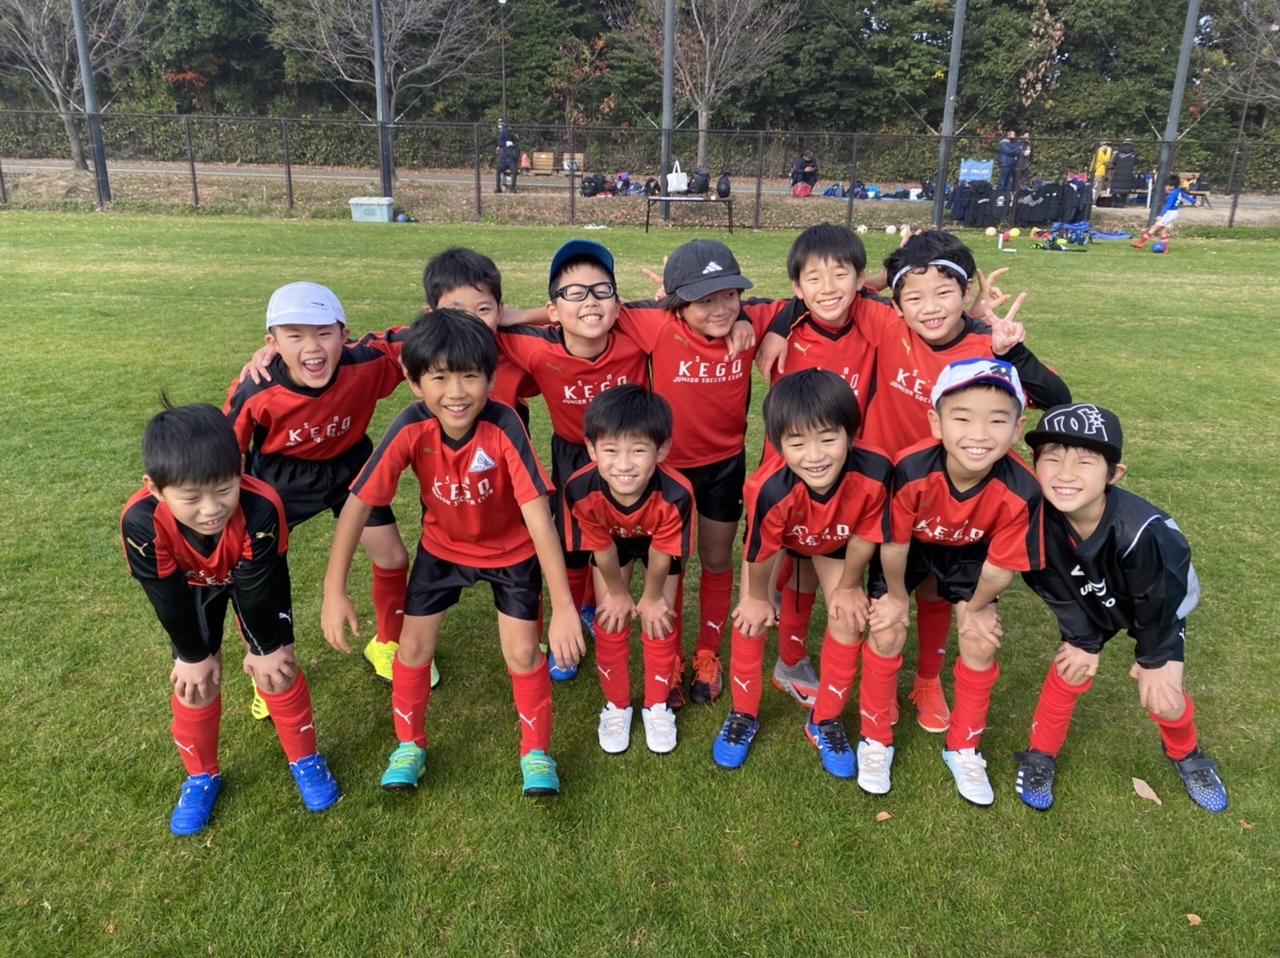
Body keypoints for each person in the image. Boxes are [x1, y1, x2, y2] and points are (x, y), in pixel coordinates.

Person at [759, 230, 1069, 735]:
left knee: (932, 588)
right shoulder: (887, 322)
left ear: (966, 293)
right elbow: (831, 291)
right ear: (898, 302)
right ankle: (801, 663)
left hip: (944, 492)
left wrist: (1014, 352)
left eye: (945, 293)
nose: (930, 308)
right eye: (915, 296)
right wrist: (780, 324)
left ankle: (927, 680)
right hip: (876, 484)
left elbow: (1057, 399)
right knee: (826, 568)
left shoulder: (986, 346)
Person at [321, 309, 583, 797]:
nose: (457, 392)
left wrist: (564, 607)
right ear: (414, 382)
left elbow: (538, 517)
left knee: (524, 653)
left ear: (490, 378)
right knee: (412, 648)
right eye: (439, 378)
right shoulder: (410, 426)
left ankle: (536, 753)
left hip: (511, 553)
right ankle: (409, 746)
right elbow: (358, 503)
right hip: (442, 551)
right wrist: (333, 590)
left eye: (470, 376)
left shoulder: (504, 424)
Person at [121, 402, 340, 836]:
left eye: (224, 489)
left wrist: (265, 649)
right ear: (155, 488)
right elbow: (167, 599)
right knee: (195, 682)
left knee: (277, 669)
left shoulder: (262, 506)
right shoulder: (140, 522)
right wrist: (192, 656)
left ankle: (305, 759)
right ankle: (201, 776)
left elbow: (255, 590)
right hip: (191, 588)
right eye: (191, 497)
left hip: (254, 578)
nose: (210, 509)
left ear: (240, 469)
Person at [1013, 403, 1228, 813]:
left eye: (1085, 461)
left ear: (1115, 474)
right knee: (1071, 667)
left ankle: (1186, 753)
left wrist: (1154, 659)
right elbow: (1049, 582)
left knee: (1163, 697)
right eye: (1052, 458)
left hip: (1155, 609)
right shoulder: (1032, 519)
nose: (1065, 473)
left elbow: (1160, 599)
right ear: (1034, 463)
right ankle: (1041, 754)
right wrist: (1082, 640)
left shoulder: (1144, 532)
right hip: (1090, 597)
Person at [861, 359, 1043, 805]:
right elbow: (895, 545)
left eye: (997, 420)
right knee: (887, 629)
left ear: (1017, 428)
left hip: (970, 555)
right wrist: (896, 596)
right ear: (936, 422)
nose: (979, 434)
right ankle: (875, 737)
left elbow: (1000, 567)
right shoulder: (911, 467)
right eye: (962, 418)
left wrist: (977, 610)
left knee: (980, 642)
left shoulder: (1024, 488)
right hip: (910, 548)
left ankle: (963, 745)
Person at [224, 282, 413, 701]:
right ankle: (270, 659)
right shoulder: (256, 387)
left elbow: (425, 334)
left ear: (344, 334)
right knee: (259, 571)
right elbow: (230, 450)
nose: (312, 347)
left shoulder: (366, 361)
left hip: (350, 464)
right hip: (280, 478)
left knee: (393, 555)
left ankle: (388, 643)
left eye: (324, 333)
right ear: (272, 344)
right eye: (294, 336)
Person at [620, 241, 788, 707]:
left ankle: (708, 652)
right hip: (669, 470)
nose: (720, 309)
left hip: (724, 465)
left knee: (716, 559)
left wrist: (754, 321)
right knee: (670, 563)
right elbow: (594, 309)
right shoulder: (656, 323)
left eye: (729, 295)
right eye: (704, 300)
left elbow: (804, 302)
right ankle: (670, 656)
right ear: (676, 302)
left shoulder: (748, 318)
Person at [713, 369, 889, 778]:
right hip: (780, 539)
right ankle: (743, 714)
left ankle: (824, 720)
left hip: (834, 540)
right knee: (750, 618)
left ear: (851, 432)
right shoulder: (769, 487)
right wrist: (757, 599)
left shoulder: (877, 468)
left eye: (828, 438)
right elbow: (760, 550)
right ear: (778, 445)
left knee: (849, 618)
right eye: (797, 443)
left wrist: (849, 587)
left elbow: (866, 534)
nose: (814, 455)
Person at [497, 239, 652, 680]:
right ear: (553, 308)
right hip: (572, 453)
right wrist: (511, 316)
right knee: (570, 545)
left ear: (617, 303)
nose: (590, 301)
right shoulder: (533, 347)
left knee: (620, 537)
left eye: (601, 290)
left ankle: (604, 605)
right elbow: (469, 326)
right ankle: (572, 617)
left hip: (629, 456)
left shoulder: (636, 336)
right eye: (575, 292)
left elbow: (698, 311)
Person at [560, 384, 695, 754]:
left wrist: (651, 598)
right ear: (591, 449)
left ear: (661, 450)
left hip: (657, 547)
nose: (623, 464)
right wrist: (618, 594)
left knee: (659, 618)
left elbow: (662, 552)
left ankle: (657, 706)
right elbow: (601, 546)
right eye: (610, 450)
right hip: (612, 543)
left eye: (638, 450)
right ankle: (616, 706)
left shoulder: (677, 493)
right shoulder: (580, 488)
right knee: (610, 617)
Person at [422, 247, 541, 430]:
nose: (472, 321)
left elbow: (572, 320)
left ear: (500, 310)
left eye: (483, 309)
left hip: (509, 444)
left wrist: (523, 315)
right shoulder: (423, 348)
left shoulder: (515, 347)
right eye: (455, 310)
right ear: (432, 315)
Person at [1131, 175, 1200, 253]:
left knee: (1154, 228)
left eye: (1167, 186)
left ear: (1172, 186)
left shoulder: (1172, 195)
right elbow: (1185, 196)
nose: (1166, 188)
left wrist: (1161, 215)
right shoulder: (1178, 191)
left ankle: (1140, 243)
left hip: (1169, 213)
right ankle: (1165, 249)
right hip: (1174, 213)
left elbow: (1168, 206)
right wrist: (1194, 201)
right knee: (1163, 231)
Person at [495, 119, 519, 194]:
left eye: (501, 122)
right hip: (505, 161)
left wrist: (504, 148)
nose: (499, 124)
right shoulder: (502, 132)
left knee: (514, 171)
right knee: (499, 170)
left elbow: (515, 156)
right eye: (499, 123)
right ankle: (499, 187)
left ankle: (512, 188)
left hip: (510, 162)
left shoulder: (505, 131)